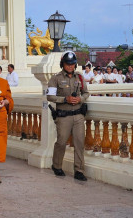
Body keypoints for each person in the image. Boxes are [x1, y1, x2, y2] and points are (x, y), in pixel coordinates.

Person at [47, 51, 90, 181]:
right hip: (63, 116)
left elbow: (86, 93)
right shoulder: (56, 78)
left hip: (78, 115)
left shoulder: (80, 78)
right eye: (68, 64)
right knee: (61, 142)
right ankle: (57, 166)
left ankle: (79, 170)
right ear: (63, 64)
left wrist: (80, 99)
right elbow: (50, 96)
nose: (70, 66)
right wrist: (64, 99)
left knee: (79, 143)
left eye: (72, 64)